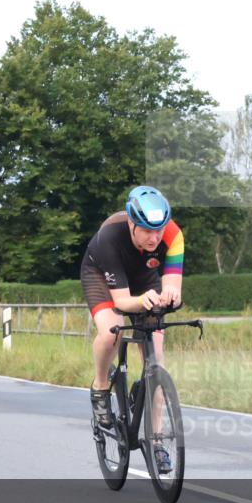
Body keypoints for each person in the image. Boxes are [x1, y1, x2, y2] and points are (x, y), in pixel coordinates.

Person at [80, 186, 184, 473]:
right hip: (103, 277)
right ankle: (101, 386)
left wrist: (169, 296)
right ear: (131, 223)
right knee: (113, 328)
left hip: (143, 278)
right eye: (147, 231)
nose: (154, 238)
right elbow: (123, 302)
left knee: (157, 359)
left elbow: (173, 284)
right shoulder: (110, 238)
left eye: (159, 231)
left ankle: (158, 441)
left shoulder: (173, 236)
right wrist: (141, 302)